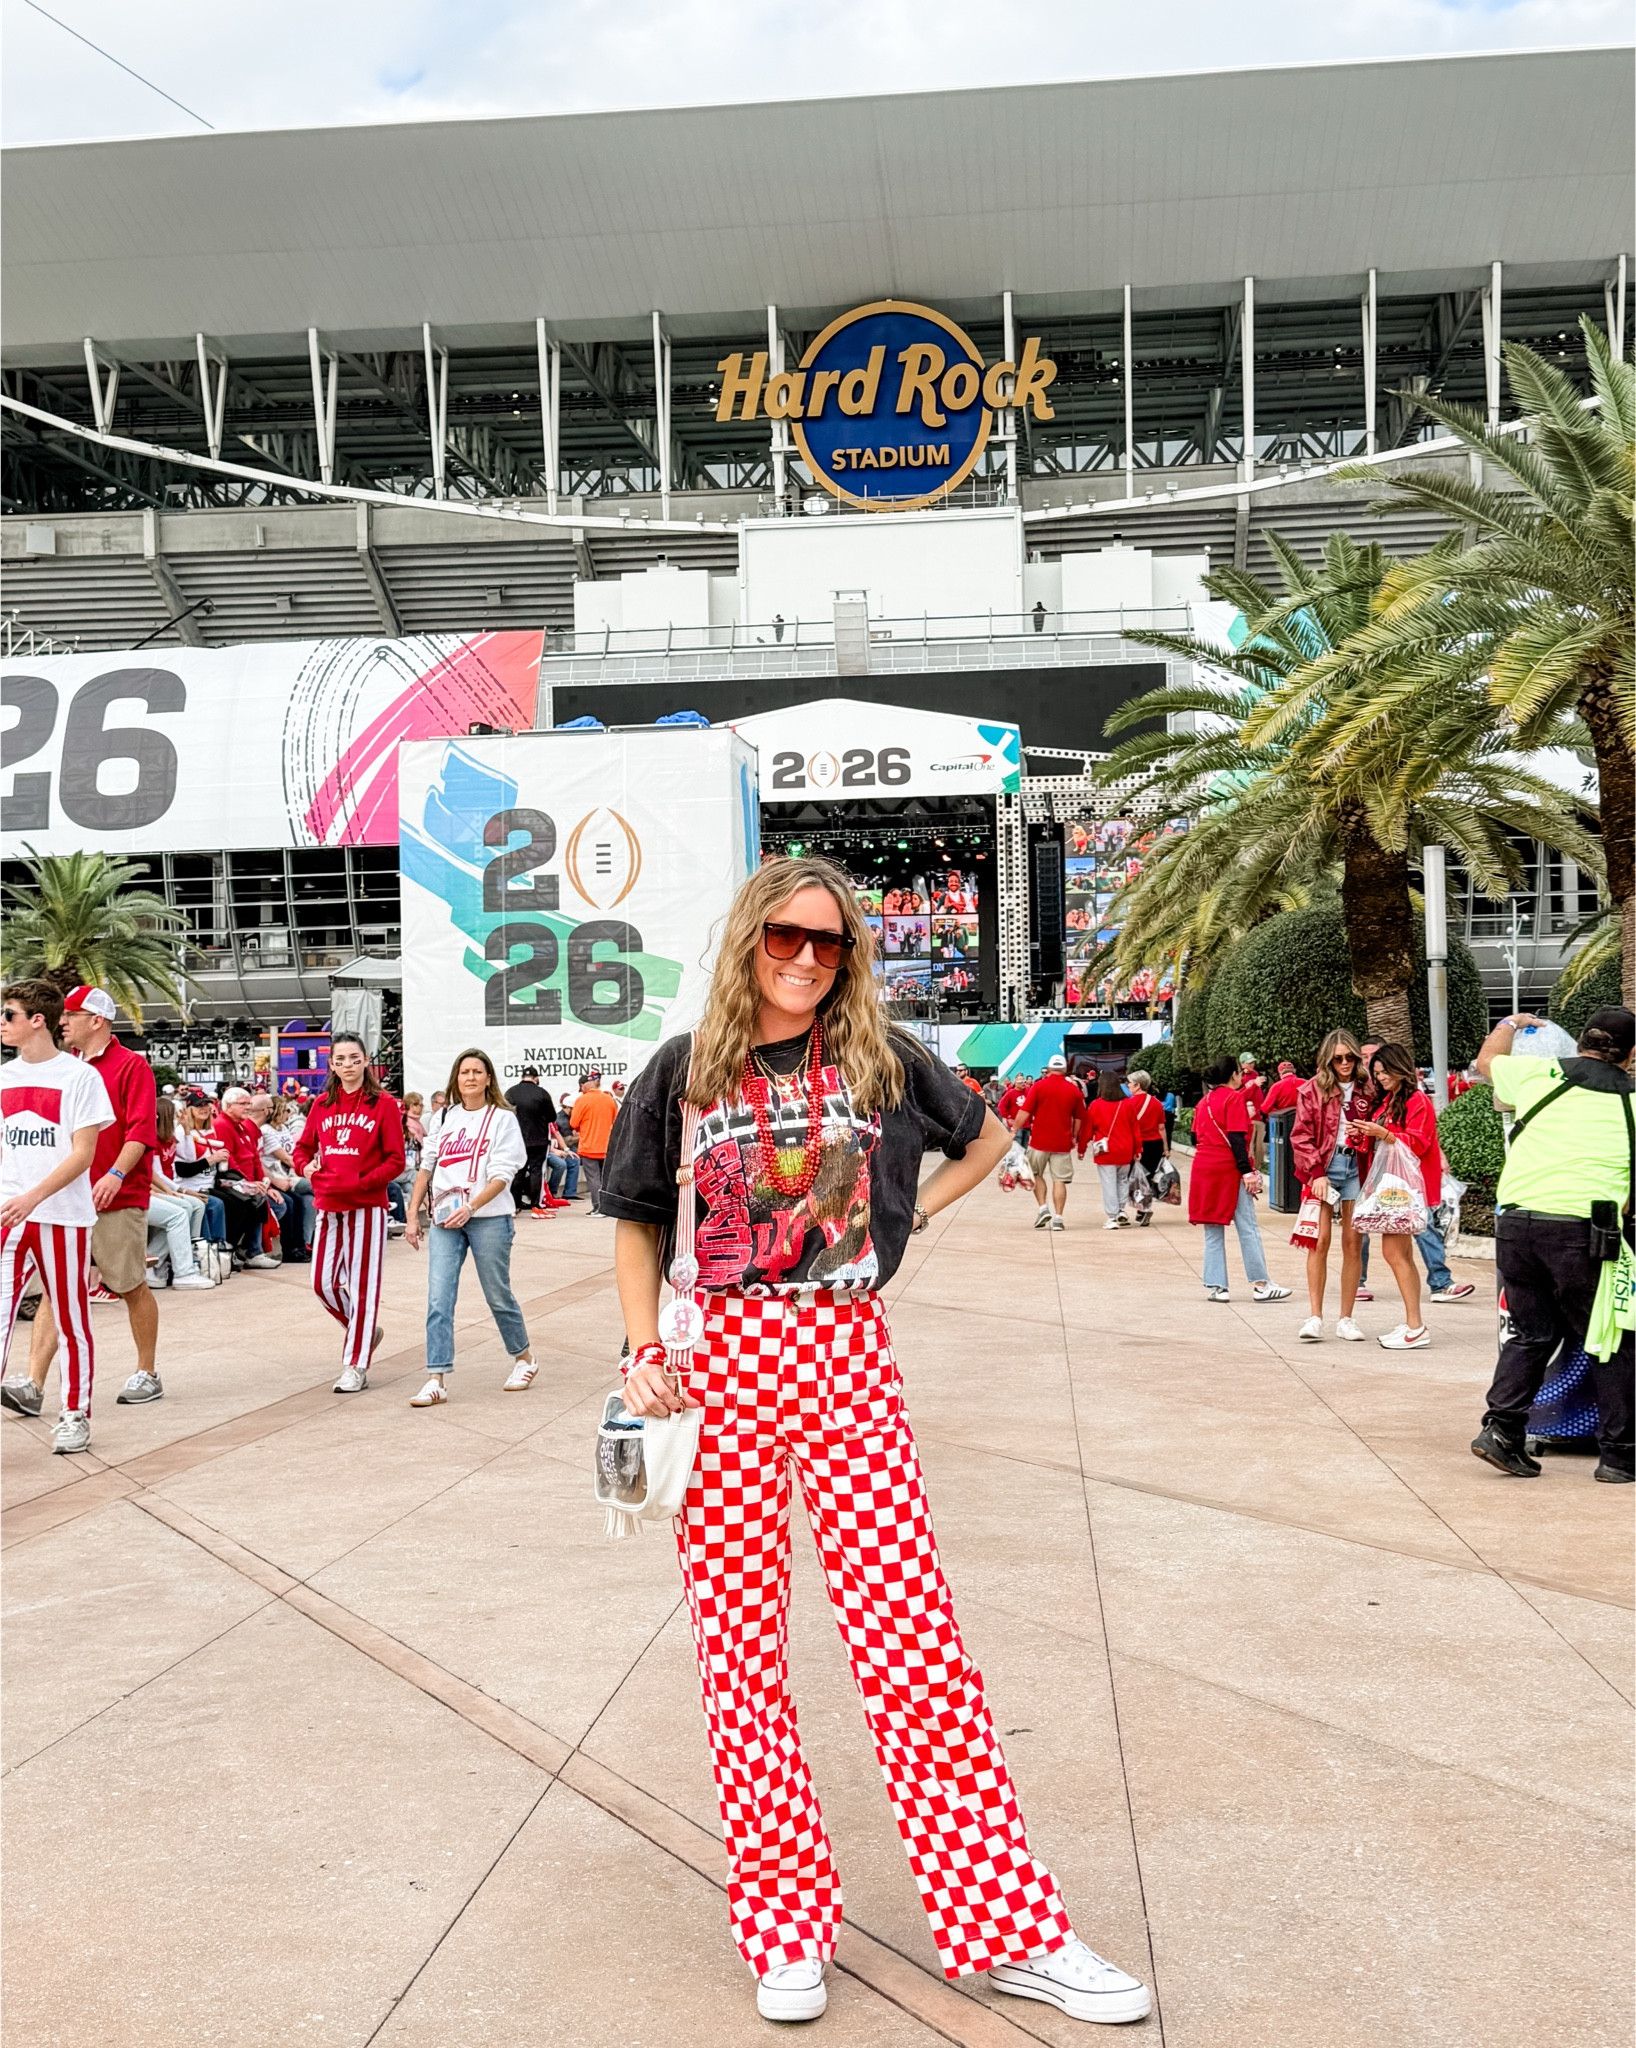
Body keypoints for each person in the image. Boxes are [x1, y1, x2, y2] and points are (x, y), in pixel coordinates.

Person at [601, 854, 1150, 2028]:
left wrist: (899, 1224)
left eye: (829, 942)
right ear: (748, 935)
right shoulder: (682, 1068)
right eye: (784, 938)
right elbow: (641, 1221)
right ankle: (783, 1923)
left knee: (915, 1643)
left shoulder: (883, 1058)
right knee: (738, 1655)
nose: (805, 958)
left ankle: (1011, 1927)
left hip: (847, 1350)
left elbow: (988, 1140)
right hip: (723, 1362)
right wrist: (641, 1347)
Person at [1469, 1006, 1635, 1483]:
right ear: (1631, 1054)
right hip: (1585, 1233)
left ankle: (1502, 1433)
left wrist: (1510, 1024)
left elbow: (1485, 1063)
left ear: (1580, 1041)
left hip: (1518, 1226)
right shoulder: (1632, 1100)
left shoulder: (1538, 1074)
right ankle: (1619, 1458)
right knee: (1611, 1341)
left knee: (1531, 1332)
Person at [26, 987, 168, 1409]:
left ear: (97, 1021)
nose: (63, 1020)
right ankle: (33, 1384)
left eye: (72, 1014)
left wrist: (115, 1174)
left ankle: (147, 1371)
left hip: (117, 1197)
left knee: (129, 1285)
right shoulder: (65, 1068)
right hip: (69, 1198)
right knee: (56, 1289)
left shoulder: (131, 1066)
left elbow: (141, 1131)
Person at [0, 980, 113, 1452]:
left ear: (36, 1021)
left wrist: (34, 1196)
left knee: (71, 1319)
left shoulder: (80, 1077)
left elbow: (84, 1154)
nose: (2, 1023)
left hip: (61, 1216)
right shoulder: (4, 1077)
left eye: (9, 1014)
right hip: (9, 1214)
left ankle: (75, 1412)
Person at [404, 1047, 536, 1406]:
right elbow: (427, 1166)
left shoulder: (502, 1119)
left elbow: (503, 1175)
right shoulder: (444, 1117)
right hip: (446, 1219)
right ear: (456, 1078)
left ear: (488, 1078)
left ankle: (523, 1358)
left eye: (478, 1071)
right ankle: (436, 1377)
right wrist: (414, 1212)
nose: (471, 1077)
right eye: (465, 1072)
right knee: (438, 1297)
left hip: (488, 1218)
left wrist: (472, 1205)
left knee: (497, 1293)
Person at [291, 1033, 406, 1394]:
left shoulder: (384, 1104)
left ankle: (355, 1364)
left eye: (354, 1058)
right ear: (332, 1064)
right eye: (340, 1059)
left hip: (367, 1207)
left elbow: (396, 1160)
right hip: (328, 1204)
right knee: (322, 1284)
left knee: (362, 1288)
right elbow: (302, 1149)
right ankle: (365, 1330)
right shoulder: (322, 1104)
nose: (347, 1065)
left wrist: (364, 1182)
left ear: (366, 1060)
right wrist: (306, 1169)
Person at [1345, 1042, 1439, 1350]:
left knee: (1395, 1253)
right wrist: (1364, 1135)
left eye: (1385, 1072)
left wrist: (1383, 1134)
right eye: (1377, 1073)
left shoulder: (1416, 1100)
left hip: (1402, 1188)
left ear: (1400, 1069)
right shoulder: (1392, 1100)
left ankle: (1415, 1326)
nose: (1380, 1078)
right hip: (1393, 1187)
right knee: (1401, 1255)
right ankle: (1413, 1322)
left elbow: (1421, 1142)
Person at [1188, 1054, 1288, 1303]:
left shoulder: (1205, 1102)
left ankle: (1218, 1287)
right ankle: (1261, 1284)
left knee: (1212, 1228)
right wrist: (1247, 1171)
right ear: (1234, 1075)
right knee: (1247, 1227)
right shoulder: (1234, 1099)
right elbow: (1236, 1139)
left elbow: (1193, 1138)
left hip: (1204, 1167)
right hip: (1228, 1168)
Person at [1011, 1052, 1087, 1232]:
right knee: (1059, 1180)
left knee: (1035, 1174)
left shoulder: (1038, 1087)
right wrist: (1074, 1137)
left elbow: (1025, 1112)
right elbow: (1079, 1119)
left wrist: (1013, 1129)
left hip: (1038, 1141)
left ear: (1050, 1069)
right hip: (1062, 1143)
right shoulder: (1074, 1091)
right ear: (1065, 1069)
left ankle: (1043, 1208)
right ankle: (1059, 1218)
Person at [146, 1097, 215, 1291]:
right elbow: (153, 1174)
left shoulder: (170, 1136)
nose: (180, 1118)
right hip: (144, 1192)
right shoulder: (151, 1138)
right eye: (177, 1115)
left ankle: (178, 1261)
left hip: (162, 1187)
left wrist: (186, 1130)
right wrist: (178, 1191)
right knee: (182, 1210)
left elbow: (190, 1156)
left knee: (196, 1205)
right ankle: (182, 1270)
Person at [212, 1088, 279, 1269]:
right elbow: (230, 1161)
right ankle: (251, 1250)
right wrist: (249, 1184)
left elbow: (254, 1158)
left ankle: (249, 1248)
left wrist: (264, 1183)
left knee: (280, 1202)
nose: (248, 1107)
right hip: (232, 1180)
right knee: (253, 1201)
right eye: (243, 1104)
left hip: (248, 1179)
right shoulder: (222, 1125)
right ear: (228, 1106)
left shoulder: (242, 1125)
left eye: (249, 1103)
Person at [1084, 1070, 1140, 1230]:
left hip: (1105, 1151)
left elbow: (1088, 1130)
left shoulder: (1096, 1105)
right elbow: (1135, 1128)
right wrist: (1138, 1148)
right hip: (1125, 1149)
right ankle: (1121, 1210)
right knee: (1122, 1180)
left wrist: (1081, 1147)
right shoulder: (1128, 1103)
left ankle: (1112, 1216)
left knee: (1108, 1183)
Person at [505, 1064, 562, 1214]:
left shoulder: (511, 1092)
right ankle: (536, 1206)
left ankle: (514, 1205)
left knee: (518, 1171)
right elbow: (552, 1116)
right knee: (537, 1171)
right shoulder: (542, 1093)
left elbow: (505, 1115)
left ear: (522, 1077)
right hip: (539, 1139)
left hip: (517, 1139)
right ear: (536, 1079)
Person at [569, 1069, 618, 1213]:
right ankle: (608, 1207)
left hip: (589, 1145)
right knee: (604, 1178)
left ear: (584, 1086)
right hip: (607, 1145)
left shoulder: (581, 1100)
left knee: (593, 1179)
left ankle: (598, 1207)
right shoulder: (609, 1099)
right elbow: (615, 1120)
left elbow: (573, 1123)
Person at [1125, 1069, 1169, 1225]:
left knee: (1134, 1178)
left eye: (1129, 1083)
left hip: (1136, 1144)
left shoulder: (1128, 1103)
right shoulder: (1157, 1103)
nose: (1127, 1085)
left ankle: (1142, 1208)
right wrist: (1165, 1148)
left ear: (1137, 1085)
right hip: (1155, 1144)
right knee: (1147, 1178)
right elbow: (1161, 1127)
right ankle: (1144, 1208)